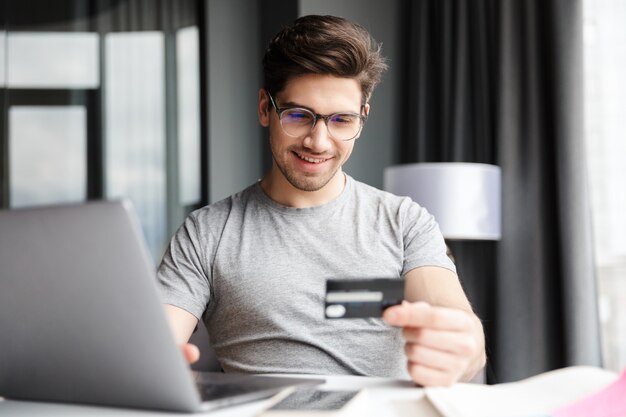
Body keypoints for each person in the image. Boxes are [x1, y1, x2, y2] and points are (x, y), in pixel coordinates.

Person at [158, 14, 486, 387]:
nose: (319, 141)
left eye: (341, 120)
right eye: (299, 115)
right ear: (266, 109)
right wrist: (152, 359)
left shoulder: (405, 222)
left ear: (362, 118)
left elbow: (459, 325)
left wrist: (463, 347)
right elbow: (157, 343)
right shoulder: (207, 232)